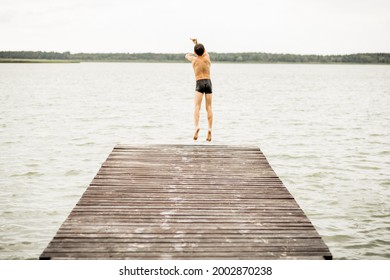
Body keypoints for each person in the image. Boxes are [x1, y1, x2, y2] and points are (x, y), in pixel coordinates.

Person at [185, 39, 213, 142]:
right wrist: (197, 44)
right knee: (209, 107)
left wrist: (195, 50)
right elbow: (204, 52)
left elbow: (186, 55)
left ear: (196, 52)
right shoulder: (207, 58)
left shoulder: (194, 59)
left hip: (199, 83)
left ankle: (197, 126)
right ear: (204, 50)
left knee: (197, 107)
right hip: (208, 82)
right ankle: (209, 129)